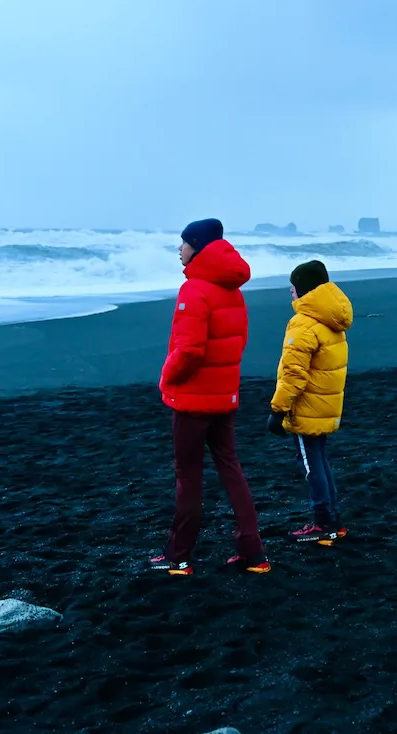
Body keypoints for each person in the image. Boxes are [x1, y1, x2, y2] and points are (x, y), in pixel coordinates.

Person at [149, 218, 271, 576]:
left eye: (184, 243)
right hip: (224, 396)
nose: (179, 249)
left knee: (188, 476)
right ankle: (253, 552)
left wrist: (165, 381)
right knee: (231, 468)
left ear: (198, 245)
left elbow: (189, 351)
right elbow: (236, 343)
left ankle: (178, 556)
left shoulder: (196, 289)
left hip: (191, 400)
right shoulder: (232, 289)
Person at [267, 259, 353, 546]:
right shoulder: (333, 320)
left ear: (303, 289)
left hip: (306, 407)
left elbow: (293, 374)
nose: (290, 292)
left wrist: (277, 409)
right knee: (321, 461)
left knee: (311, 464)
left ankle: (323, 522)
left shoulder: (303, 323)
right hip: (326, 404)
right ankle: (333, 520)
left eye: (293, 287)